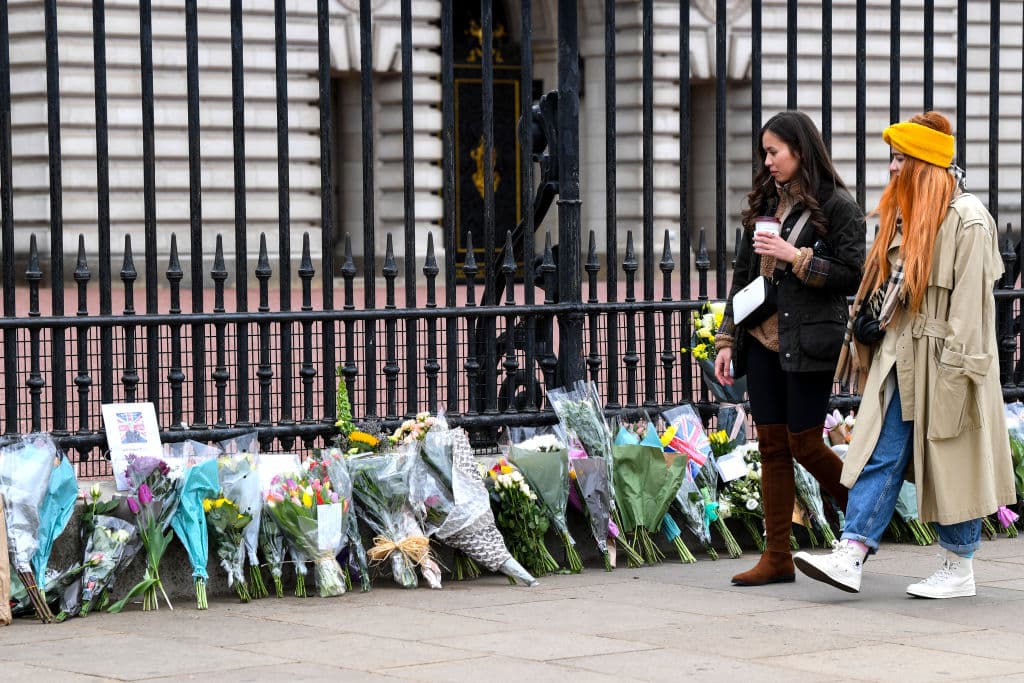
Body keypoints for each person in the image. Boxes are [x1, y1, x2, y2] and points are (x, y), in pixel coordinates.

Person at [793, 111, 1017, 599]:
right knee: (878, 450)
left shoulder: (969, 221)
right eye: (892, 158)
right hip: (902, 355)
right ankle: (851, 553)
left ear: (923, 164)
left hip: (948, 361)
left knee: (951, 459)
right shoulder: (906, 213)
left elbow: (971, 316)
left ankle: (959, 565)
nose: (892, 168)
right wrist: (870, 323)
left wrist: (958, 379)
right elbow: (888, 287)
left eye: (900, 159)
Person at [714, 111, 866, 586]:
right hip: (761, 339)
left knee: (804, 442)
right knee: (774, 446)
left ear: (800, 151)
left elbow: (852, 274)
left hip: (810, 340)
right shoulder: (766, 202)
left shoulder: (838, 205)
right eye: (764, 152)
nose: (768, 160)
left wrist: (794, 257)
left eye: (774, 151)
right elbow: (743, 276)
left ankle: (865, 520)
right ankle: (777, 556)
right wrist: (726, 338)